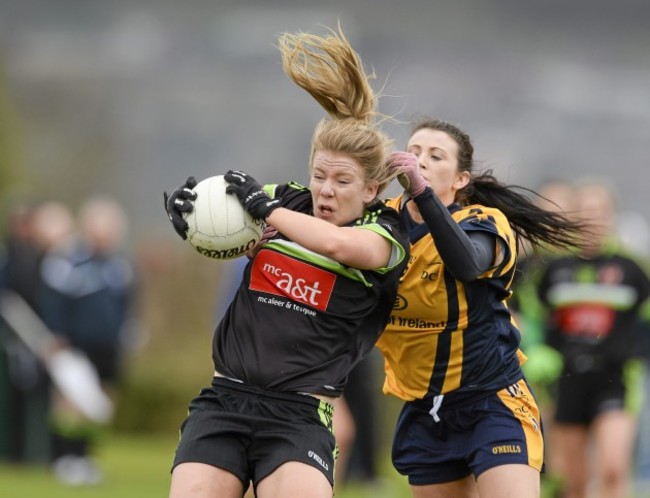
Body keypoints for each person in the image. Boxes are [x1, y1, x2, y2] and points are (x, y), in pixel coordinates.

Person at [163, 25, 409, 498]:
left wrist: (267, 211)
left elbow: (337, 248)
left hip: (298, 416)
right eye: (319, 175)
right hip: (224, 402)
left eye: (342, 181)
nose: (325, 191)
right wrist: (194, 220)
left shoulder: (385, 233)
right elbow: (231, 221)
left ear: (371, 189)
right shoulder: (287, 202)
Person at [374, 118, 585, 498]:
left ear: (460, 180)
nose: (420, 161)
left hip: (492, 400)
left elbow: (468, 263)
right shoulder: (380, 223)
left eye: (436, 156)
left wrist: (422, 194)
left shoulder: (484, 222)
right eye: (415, 151)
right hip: (426, 409)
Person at [536, 180, 650, 498]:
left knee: (613, 468)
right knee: (573, 482)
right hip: (567, 379)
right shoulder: (554, 269)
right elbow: (532, 318)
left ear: (612, 216)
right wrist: (537, 352)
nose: (594, 219)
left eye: (601, 211)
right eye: (586, 212)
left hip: (615, 377)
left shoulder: (631, 270)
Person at [37, 195, 136, 485]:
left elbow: (127, 304)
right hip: (75, 344)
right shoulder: (67, 261)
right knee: (70, 405)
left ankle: (87, 457)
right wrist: (56, 337)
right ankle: (66, 457)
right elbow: (54, 303)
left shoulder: (119, 265)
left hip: (108, 346)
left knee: (99, 405)